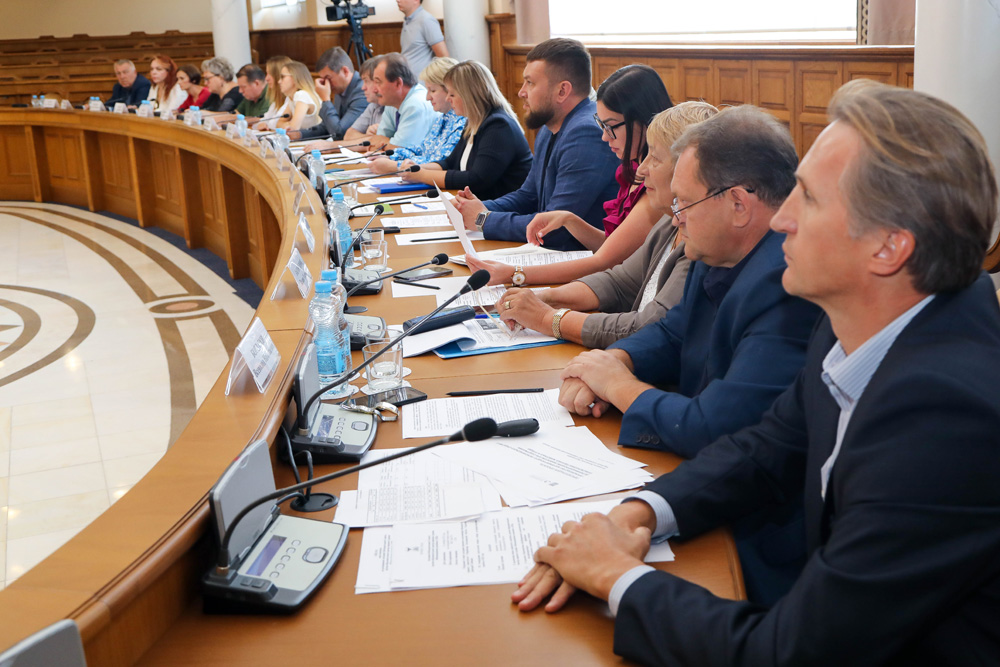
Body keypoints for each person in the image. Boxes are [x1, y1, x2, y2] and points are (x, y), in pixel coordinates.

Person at [516, 79, 1000, 665]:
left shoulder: (946, 420)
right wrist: (634, 514)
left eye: (809, 200)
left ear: (888, 247)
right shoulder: (857, 318)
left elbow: (791, 652)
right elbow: (764, 447)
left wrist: (615, 576)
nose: (782, 218)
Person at [493, 102, 717, 349]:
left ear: (684, 169)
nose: (641, 169)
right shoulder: (669, 222)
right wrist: (545, 298)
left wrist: (547, 317)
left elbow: (648, 327)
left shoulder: (701, 240)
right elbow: (619, 282)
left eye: (654, 158)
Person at [467, 64, 673, 285]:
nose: (604, 137)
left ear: (644, 122)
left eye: (611, 126)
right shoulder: (631, 168)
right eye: (601, 125)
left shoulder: (656, 185)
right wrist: (569, 220)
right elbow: (612, 245)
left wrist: (514, 273)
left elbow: (604, 261)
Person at [453, 38, 619, 252]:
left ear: (562, 91)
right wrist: (473, 208)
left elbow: (553, 229)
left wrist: (483, 219)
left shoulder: (586, 133)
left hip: (579, 258)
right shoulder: (550, 127)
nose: (521, 92)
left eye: (530, 83)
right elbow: (529, 196)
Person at [401, 60, 532, 201]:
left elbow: (476, 180)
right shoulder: (473, 121)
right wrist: (418, 168)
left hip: (500, 209)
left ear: (469, 95)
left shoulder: (498, 126)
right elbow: (450, 163)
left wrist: (422, 175)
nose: (448, 99)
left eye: (452, 94)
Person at [369, 57, 466, 173]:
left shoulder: (462, 123)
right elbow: (422, 150)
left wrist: (395, 165)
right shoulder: (442, 119)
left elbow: (440, 163)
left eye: (433, 91)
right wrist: (389, 155)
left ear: (450, 90)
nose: (427, 97)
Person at [296, 47, 368, 141]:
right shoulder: (340, 88)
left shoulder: (362, 91)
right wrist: (299, 134)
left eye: (328, 78)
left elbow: (340, 133)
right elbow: (327, 127)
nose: (326, 84)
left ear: (345, 71)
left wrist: (325, 99)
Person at [397, 0, 448, 80]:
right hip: (409, 81)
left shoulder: (426, 20)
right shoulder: (408, 21)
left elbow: (444, 57)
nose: (398, 0)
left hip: (422, 83)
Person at [272, 61, 322, 132]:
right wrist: (288, 124)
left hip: (315, 138)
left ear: (295, 77)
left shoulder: (302, 95)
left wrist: (288, 125)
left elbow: (293, 129)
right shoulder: (293, 97)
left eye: (283, 77)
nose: (279, 81)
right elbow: (278, 124)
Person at [256, 55, 293, 130]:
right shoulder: (276, 100)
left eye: (269, 74)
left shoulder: (292, 98)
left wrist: (267, 124)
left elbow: (275, 123)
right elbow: (264, 120)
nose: (266, 78)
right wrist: (263, 123)